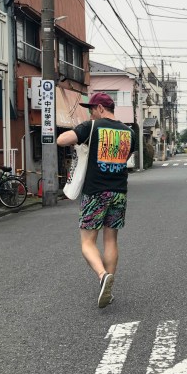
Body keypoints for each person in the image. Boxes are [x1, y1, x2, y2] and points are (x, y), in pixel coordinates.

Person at [56, 93, 137, 308]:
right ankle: (108, 286)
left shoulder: (91, 127)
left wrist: (81, 135)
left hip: (95, 193)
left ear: (100, 108)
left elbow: (61, 140)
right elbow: (126, 157)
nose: (90, 112)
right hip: (119, 192)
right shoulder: (129, 132)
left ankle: (102, 277)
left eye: (91, 109)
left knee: (87, 242)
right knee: (111, 240)